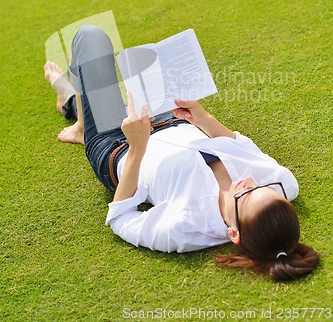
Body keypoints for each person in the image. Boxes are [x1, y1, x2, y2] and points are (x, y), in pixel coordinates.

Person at [44, 24, 320, 281]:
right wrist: (203, 118)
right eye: (262, 187)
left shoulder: (184, 228)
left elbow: (120, 218)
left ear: (233, 234)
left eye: (246, 195)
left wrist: (138, 147)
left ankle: (76, 112)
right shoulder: (282, 184)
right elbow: (241, 145)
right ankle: (78, 112)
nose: (248, 182)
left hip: (119, 146)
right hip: (173, 120)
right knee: (146, 59)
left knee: (90, 37)